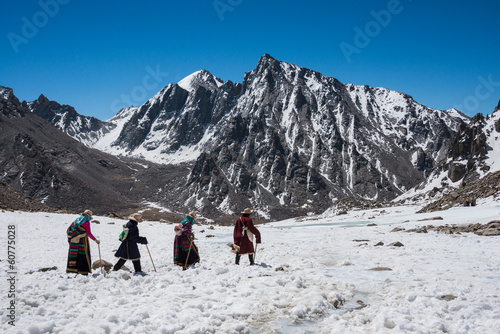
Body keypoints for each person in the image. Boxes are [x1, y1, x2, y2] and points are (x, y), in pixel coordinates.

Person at [66, 209, 100, 275]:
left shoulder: (76, 220)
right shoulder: (86, 222)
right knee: (83, 254)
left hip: (74, 241)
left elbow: (70, 229)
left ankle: (72, 269)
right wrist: (96, 240)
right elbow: (89, 233)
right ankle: (83, 270)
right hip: (83, 241)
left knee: (76, 253)